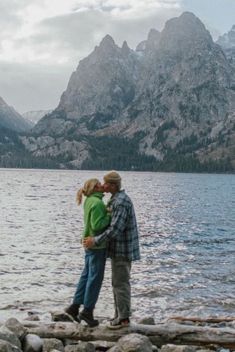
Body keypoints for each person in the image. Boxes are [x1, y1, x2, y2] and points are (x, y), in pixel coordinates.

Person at [84, 171, 140, 329]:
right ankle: (119, 316)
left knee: (120, 283)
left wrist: (95, 241)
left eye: (106, 183)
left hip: (123, 249)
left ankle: (123, 319)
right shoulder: (115, 199)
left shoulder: (121, 202)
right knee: (117, 282)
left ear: (114, 185)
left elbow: (115, 229)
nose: (103, 185)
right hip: (118, 249)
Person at [65, 178, 111, 327]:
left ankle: (74, 307)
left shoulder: (89, 200)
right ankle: (88, 311)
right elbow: (97, 226)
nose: (102, 185)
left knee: (86, 275)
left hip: (88, 244)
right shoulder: (97, 203)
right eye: (99, 184)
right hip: (97, 246)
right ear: (95, 188)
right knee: (95, 279)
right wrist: (110, 215)